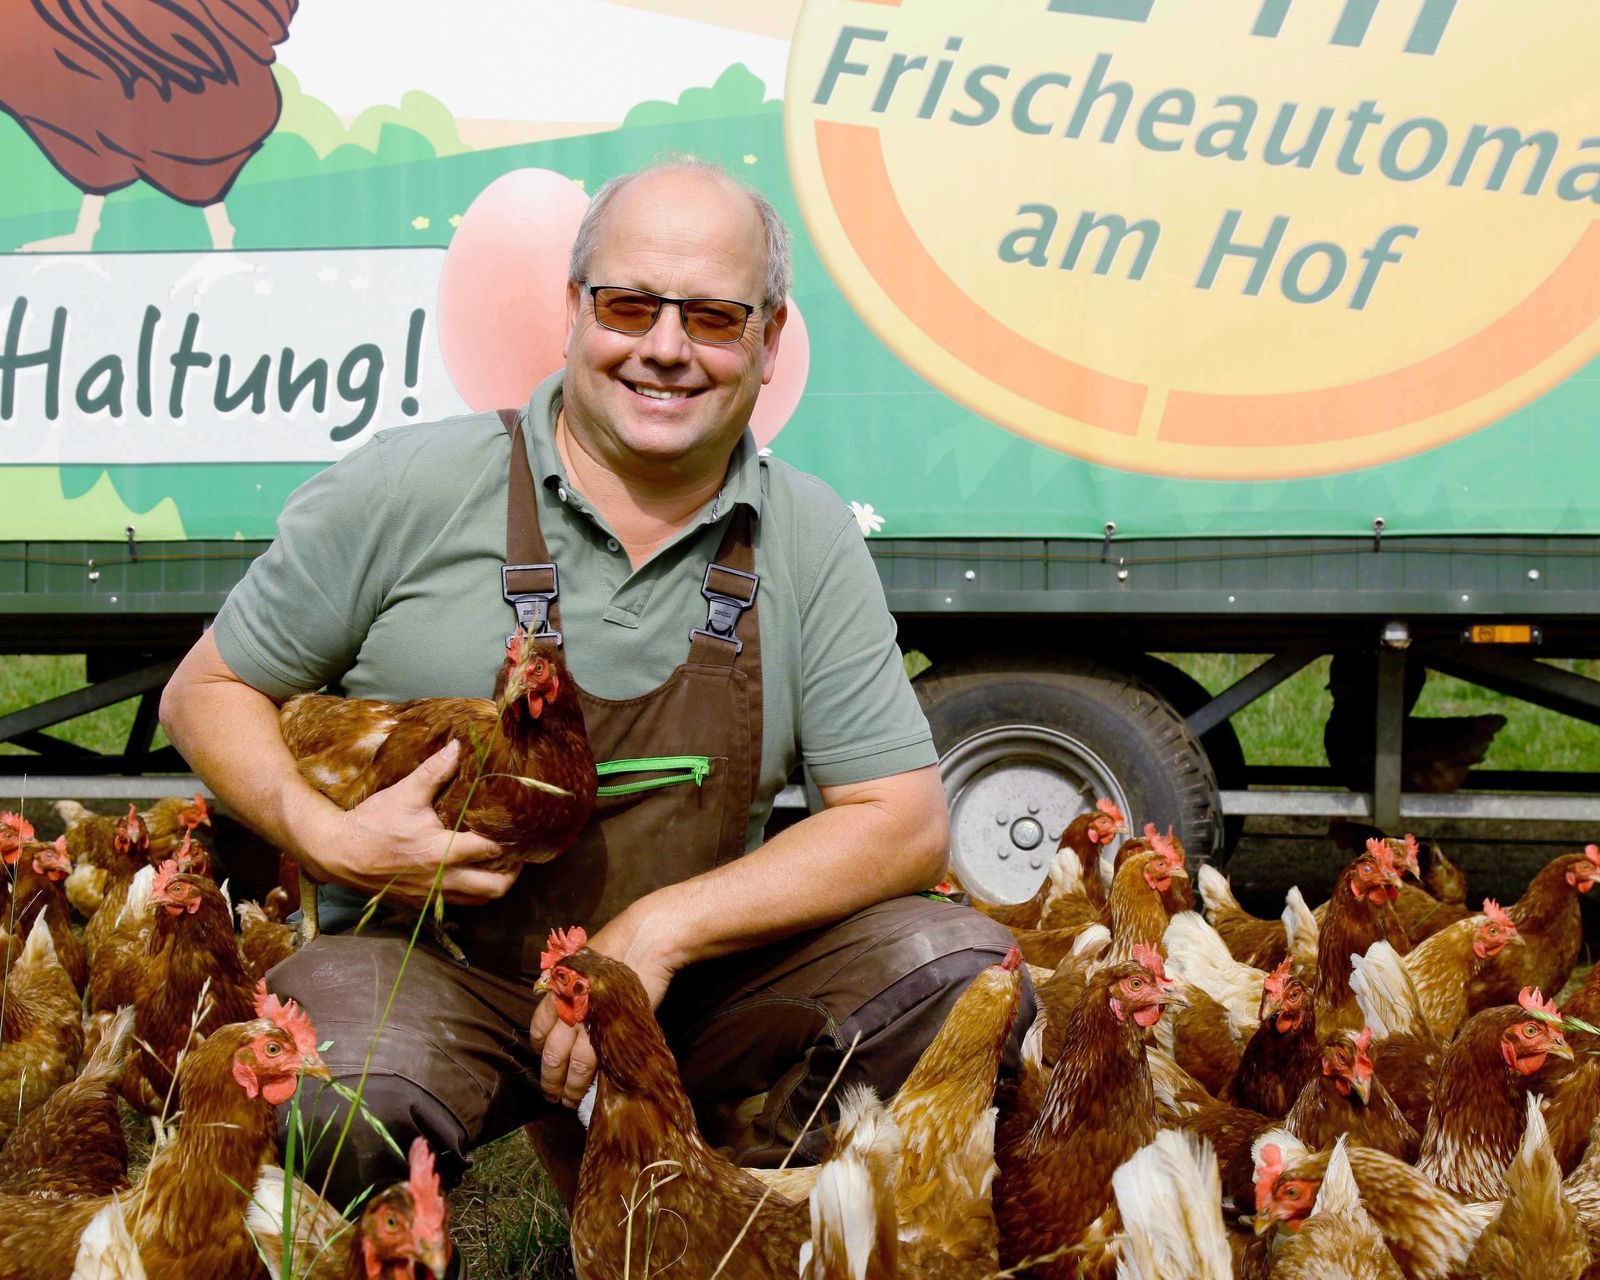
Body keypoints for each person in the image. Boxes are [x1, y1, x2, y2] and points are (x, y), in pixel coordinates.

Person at [158, 159, 1032, 1211]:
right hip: (432, 973)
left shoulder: (801, 532)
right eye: (630, 305)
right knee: (336, 1089)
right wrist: (330, 836)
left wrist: (659, 932)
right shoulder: (408, 487)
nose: (666, 348)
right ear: (573, 311)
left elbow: (901, 820)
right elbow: (205, 690)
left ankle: (720, 1212)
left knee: (954, 971)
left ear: (768, 337)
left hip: (687, 994)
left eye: (714, 317)